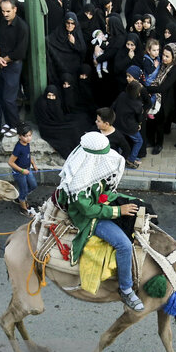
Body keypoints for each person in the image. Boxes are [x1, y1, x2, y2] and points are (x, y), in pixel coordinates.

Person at [57, 132, 146, 311]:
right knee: (124, 245)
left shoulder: (92, 164)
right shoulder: (79, 182)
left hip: (100, 202)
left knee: (139, 204)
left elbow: (103, 189)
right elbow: (88, 209)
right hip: (88, 217)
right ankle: (126, 289)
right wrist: (118, 210)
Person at [0, 0, 29, 131]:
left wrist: (4, 60)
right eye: (3, 11)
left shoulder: (22, 27)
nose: (5, 14)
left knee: (10, 98)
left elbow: (20, 51)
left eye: (8, 11)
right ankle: (9, 122)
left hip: (13, 65)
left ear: (15, 9)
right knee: (3, 96)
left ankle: (15, 124)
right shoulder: (3, 22)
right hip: (1, 63)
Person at [8, 123, 38, 215]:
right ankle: (23, 208)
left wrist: (33, 163)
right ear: (20, 136)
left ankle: (21, 197)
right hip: (19, 173)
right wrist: (22, 170)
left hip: (27, 169)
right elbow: (10, 162)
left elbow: (28, 155)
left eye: (30, 135)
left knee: (33, 185)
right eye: (26, 136)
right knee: (24, 190)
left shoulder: (27, 143)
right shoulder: (18, 148)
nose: (29, 138)